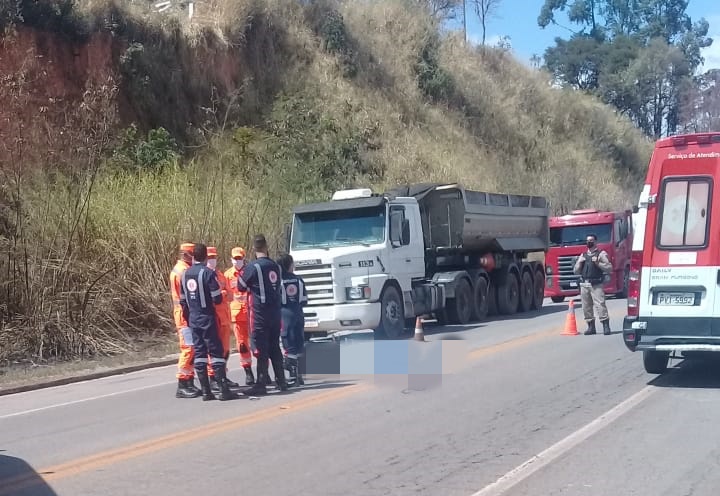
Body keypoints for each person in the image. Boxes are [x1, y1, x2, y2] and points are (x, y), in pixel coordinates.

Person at [179, 243, 237, 401]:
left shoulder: (185, 274)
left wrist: (189, 318)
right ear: (205, 256)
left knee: (199, 354)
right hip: (207, 318)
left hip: (193, 319)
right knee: (216, 353)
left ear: (193, 256)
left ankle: (206, 392)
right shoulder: (208, 273)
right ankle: (223, 390)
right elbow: (217, 298)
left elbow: (183, 301)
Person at [237, 234, 288, 395]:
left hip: (259, 313)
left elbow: (240, 286)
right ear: (266, 247)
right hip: (275, 312)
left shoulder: (253, 267)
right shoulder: (276, 266)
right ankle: (281, 381)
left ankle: (261, 383)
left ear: (254, 249)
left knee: (261, 348)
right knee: (275, 346)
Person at [206, 246, 240, 391]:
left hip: (225, 317)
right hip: (214, 318)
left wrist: (223, 294)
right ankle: (213, 377)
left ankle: (223, 376)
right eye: (209, 258)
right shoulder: (205, 276)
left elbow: (229, 295)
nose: (212, 260)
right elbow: (213, 298)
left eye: (214, 257)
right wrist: (222, 294)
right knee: (213, 350)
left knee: (225, 350)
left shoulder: (220, 275)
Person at [170, 242, 200, 399]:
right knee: (188, 348)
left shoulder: (183, 269)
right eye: (192, 254)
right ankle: (182, 384)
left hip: (185, 314)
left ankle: (189, 381)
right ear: (186, 254)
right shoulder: (182, 271)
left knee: (192, 348)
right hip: (183, 315)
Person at [224, 247, 256, 386]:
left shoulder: (250, 272)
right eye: (235, 259)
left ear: (244, 259)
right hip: (237, 316)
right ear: (231, 259)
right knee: (242, 345)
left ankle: (264, 372)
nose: (237, 261)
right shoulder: (227, 275)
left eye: (239, 258)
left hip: (252, 313)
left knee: (258, 344)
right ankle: (248, 373)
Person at [277, 254, 308, 386]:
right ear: (289, 265)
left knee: (288, 344)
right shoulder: (299, 280)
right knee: (299, 342)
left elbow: (278, 300)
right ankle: (299, 375)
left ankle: (293, 376)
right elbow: (304, 300)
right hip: (298, 314)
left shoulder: (280, 282)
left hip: (285, 314)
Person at [573, 233, 613, 336]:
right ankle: (591, 327)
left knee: (600, 305)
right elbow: (576, 271)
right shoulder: (583, 255)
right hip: (584, 284)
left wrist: (598, 263)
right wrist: (579, 263)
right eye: (587, 241)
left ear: (595, 242)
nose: (589, 242)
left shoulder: (601, 254)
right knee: (586, 306)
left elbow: (609, 268)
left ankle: (605, 326)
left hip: (596, 284)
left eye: (591, 240)